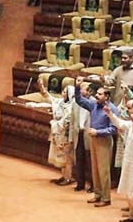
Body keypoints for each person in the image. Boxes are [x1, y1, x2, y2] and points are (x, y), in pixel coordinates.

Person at [75, 77, 117, 207]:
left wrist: (98, 132)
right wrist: (77, 87)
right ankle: (98, 194)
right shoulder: (94, 105)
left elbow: (114, 128)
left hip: (103, 140)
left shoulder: (112, 109)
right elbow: (79, 100)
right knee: (95, 169)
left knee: (103, 170)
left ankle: (106, 197)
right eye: (96, 94)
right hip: (93, 139)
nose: (96, 96)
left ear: (107, 97)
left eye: (99, 94)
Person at [39, 81, 75, 185]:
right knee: (60, 154)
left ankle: (68, 177)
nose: (62, 93)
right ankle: (63, 176)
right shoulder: (59, 102)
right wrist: (41, 87)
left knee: (67, 156)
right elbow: (47, 96)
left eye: (65, 92)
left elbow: (67, 121)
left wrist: (57, 124)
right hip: (57, 133)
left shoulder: (72, 106)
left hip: (66, 134)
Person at [72, 83, 94, 192]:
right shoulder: (76, 102)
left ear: (90, 91)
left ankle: (93, 185)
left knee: (90, 162)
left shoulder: (94, 103)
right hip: (78, 133)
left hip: (89, 135)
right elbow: (72, 121)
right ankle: (80, 183)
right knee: (79, 160)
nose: (81, 91)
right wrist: (71, 138)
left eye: (83, 89)